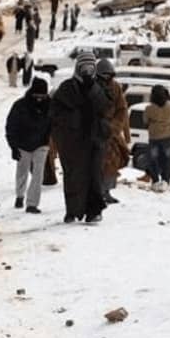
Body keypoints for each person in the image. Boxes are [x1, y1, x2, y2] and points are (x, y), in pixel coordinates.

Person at [50, 51, 111, 223]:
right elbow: (55, 113)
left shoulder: (99, 86)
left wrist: (92, 87)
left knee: (94, 177)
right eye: (83, 67)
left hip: (95, 140)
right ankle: (73, 211)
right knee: (73, 177)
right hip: (73, 141)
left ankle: (94, 211)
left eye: (90, 67)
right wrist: (70, 122)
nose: (87, 70)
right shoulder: (67, 87)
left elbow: (105, 106)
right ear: (77, 67)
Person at [5, 78, 52, 213]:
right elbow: (11, 126)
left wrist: (49, 138)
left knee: (38, 174)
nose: (39, 98)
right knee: (22, 171)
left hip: (41, 144)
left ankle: (32, 204)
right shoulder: (20, 105)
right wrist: (13, 147)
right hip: (22, 143)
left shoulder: (50, 105)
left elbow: (54, 122)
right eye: (37, 95)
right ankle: (20, 195)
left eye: (42, 95)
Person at [96, 58, 130, 204]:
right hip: (95, 131)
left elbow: (122, 109)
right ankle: (96, 192)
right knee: (96, 164)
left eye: (109, 75)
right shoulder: (92, 87)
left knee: (113, 163)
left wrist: (115, 126)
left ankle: (107, 191)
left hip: (111, 133)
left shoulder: (116, 87)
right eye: (104, 75)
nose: (107, 78)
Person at [143, 84, 170, 191]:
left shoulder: (149, 108)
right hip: (168, 136)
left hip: (154, 137)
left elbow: (145, 122)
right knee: (166, 160)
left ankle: (155, 181)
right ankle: (166, 181)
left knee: (153, 160)